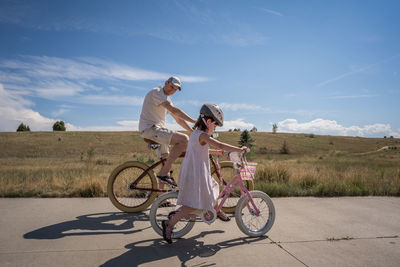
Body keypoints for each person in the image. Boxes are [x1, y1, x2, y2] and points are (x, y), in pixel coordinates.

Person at [161, 103, 248, 244]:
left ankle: (216, 210)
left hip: (196, 173)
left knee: (212, 187)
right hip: (194, 174)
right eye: (215, 125)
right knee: (192, 205)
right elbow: (219, 144)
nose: (215, 128)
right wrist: (239, 149)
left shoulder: (196, 134)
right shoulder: (202, 135)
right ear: (208, 122)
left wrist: (216, 152)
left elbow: (200, 150)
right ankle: (169, 224)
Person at [138, 76, 196, 186]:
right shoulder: (157, 92)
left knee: (166, 160)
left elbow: (178, 119)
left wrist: (193, 131)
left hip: (158, 131)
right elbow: (174, 110)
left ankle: (162, 198)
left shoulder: (166, 99)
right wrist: (193, 120)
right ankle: (164, 173)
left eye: (175, 89)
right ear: (166, 83)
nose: (172, 90)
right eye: (171, 87)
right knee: (184, 139)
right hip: (150, 129)